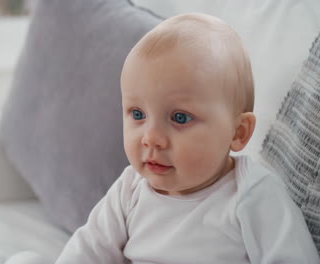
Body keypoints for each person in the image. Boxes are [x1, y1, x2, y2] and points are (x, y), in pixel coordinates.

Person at [54, 13, 319, 263]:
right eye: (137, 113)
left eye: (179, 118)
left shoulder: (252, 194)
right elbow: (85, 252)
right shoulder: (130, 189)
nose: (152, 138)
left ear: (237, 133)